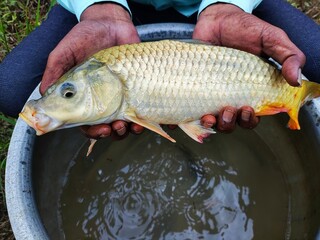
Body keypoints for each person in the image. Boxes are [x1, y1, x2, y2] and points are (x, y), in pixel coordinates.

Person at [0, 0, 319, 139]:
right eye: (69, 93)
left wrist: (228, 5)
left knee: (313, 58)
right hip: (112, 8)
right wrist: (99, 6)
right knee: (11, 88)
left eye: (69, 93)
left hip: (211, 8)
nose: (65, 95)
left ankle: (294, 95)